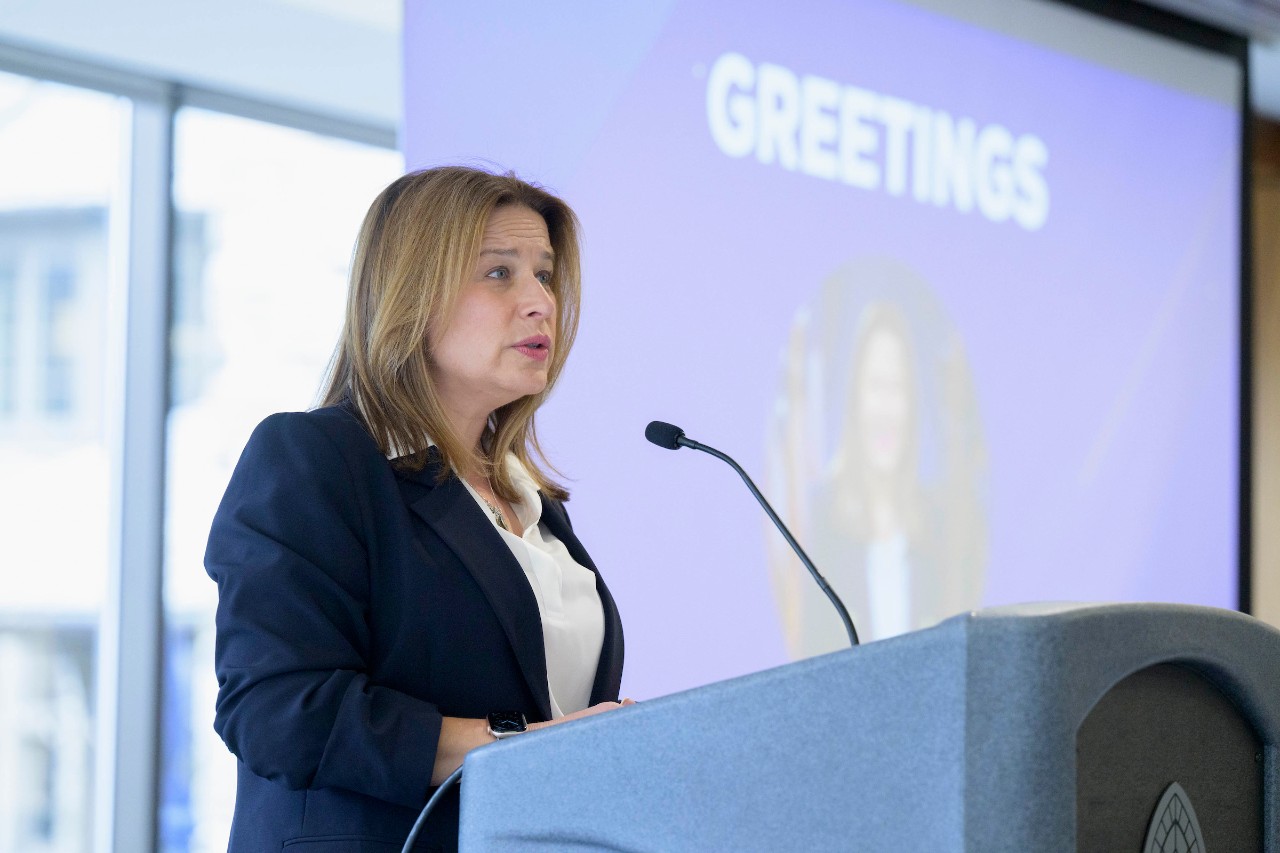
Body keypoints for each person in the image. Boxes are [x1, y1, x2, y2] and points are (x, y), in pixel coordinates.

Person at [204, 166, 628, 852]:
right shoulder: (318, 459)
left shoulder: (537, 508)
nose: (539, 302)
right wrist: (529, 745)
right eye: (499, 273)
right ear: (412, 293)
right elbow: (280, 711)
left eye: (545, 275)